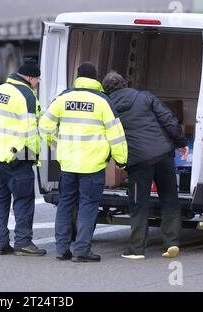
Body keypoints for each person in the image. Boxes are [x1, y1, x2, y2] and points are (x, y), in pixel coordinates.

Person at [39, 62, 128, 262]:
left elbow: (44, 125)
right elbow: (116, 134)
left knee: (65, 205)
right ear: (96, 78)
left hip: (68, 164)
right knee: (88, 206)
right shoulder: (102, 102)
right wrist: (122, 161)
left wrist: (55, 145)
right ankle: (81, 250)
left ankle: (62, 249)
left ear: (77, 77)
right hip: (92, 166)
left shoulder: (63, 98)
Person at [102, 70, 189, 260]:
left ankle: (136, 249)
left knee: (138, 203)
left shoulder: (106, 107)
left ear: (105, 89)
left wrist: (115, 160)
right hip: (162, 153)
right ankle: (172, 242)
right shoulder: (145, 97)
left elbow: (106, 137)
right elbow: (168, 119)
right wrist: (181, 142)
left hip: (137, 160)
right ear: (124, 84)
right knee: (169, 198)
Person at [0, 58, 46, 257]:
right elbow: (31, 129)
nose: (38, 83)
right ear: (29, 77)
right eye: (37, 79)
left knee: (1, 199)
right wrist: (34, 155)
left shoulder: (0, 90)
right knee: (24, 200)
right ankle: (23, 242)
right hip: (18, 157)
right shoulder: (26, 94)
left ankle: (0, 243)